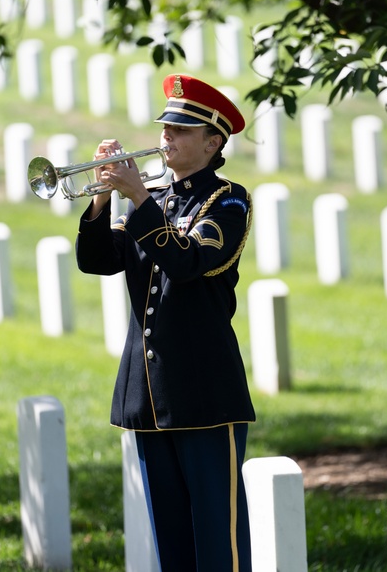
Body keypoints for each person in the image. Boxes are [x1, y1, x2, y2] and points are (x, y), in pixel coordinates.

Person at [75, 73, 255, 571]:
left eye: (181, 130)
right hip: (150, 396)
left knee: (219, 544)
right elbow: (98, 261)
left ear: (213, 142)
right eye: (165, 128)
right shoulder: (152, 198)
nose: (166, 138)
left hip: (205, 393)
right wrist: (102, 198)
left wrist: (138, 199)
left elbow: (189, 261)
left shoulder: (228, 201)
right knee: (170, 542)